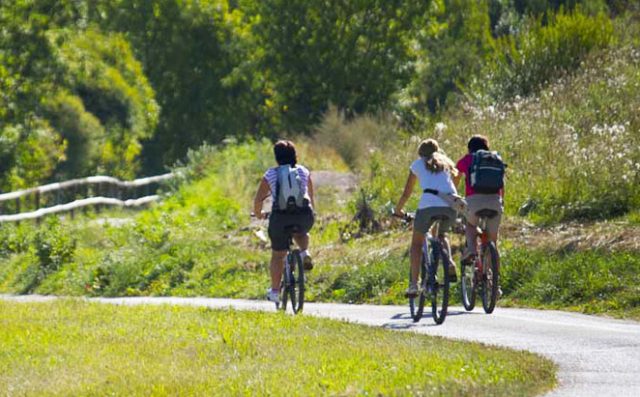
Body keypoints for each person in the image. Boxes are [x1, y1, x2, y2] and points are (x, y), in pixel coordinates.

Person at [394, 139, 459, 297]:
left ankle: (414, 285)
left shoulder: (417, 164)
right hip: (451, 205)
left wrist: (398, 210)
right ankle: (449, 261)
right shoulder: (446, 162)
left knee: (416, 244)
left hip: (428, 205)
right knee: (441, 236)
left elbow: (407, 192)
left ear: (420, 153)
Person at [252, 140, 315, 304]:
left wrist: (259, 215)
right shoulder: (304, 171)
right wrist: (310, 214)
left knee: (278, 255)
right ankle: (304, 252)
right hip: (304, 215)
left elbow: (258, 200)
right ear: (295, 155)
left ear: (277, 157)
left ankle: (274, 292)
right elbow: (311, 198)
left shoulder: (271, 175)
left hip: (280, 218)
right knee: (301, 232)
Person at [454, 135, 503, 264]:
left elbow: (455, 177)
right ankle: (494, 281)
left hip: (474, 202)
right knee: (493, 242)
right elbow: (502, 185)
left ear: (469, 148)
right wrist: (501, 201)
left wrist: (454, 194)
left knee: (470, 225)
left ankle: (471, 249)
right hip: (495, 201)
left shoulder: (468, 159)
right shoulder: (495, 159)